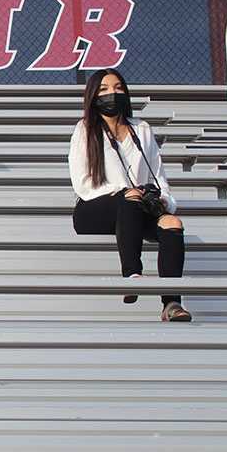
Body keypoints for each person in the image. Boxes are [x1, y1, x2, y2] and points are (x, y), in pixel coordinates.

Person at [68, 68, 191, 322]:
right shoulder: (85, 129)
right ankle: (132, 276)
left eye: (118, 88)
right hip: (93, 209)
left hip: (135, 208)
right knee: (129, 197)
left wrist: (162, 201)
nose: (112, 94)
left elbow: (159, 176)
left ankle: (171, 304)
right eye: (103, 90)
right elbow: (81, 183)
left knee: (172, 222)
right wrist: (121, 194)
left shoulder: (142, 129)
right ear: (93, 97)